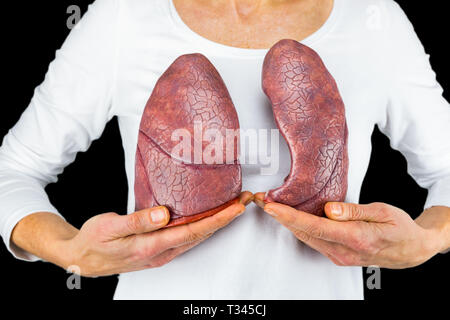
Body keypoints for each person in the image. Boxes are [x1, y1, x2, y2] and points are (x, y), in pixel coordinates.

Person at [0, 0, 449, 300]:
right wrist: (68, 251)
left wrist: (427, 241)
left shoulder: (372, 18)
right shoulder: (125, 15)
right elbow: (13, 169)